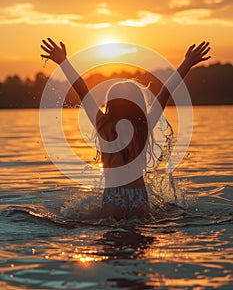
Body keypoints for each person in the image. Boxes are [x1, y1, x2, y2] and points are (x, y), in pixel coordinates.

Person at [40, 38, 211, 220]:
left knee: (111, 237)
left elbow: (82, 90)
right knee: (140, 238)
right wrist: (187, 63)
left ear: (111, 103)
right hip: (139, 196)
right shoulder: (143, 127)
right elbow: (165, 93)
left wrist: (63, 62)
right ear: (138, 104)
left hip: (114, 196)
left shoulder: (103, 125)